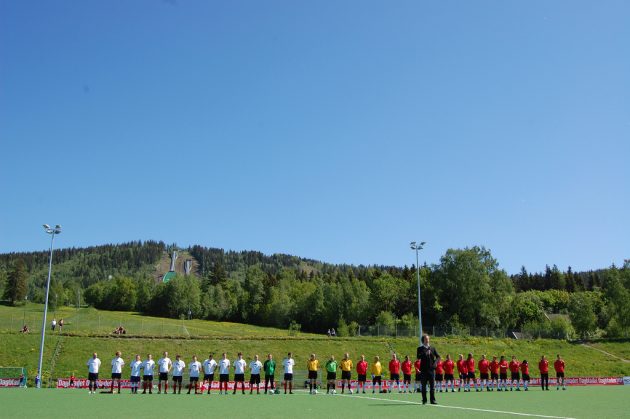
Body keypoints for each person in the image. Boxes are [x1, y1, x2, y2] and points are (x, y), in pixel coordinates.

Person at [417, 334, 440, 405]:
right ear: (423, 340)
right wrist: (425, 353)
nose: (427, 340)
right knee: (423, 386)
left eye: (428, 339)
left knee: (432, 387)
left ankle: (432, 400)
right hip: (423, 370)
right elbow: (418, 357)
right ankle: (424, 400)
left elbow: (438, 357)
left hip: (431, 370)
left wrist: (436, 363)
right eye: (426, 339)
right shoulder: (420, 349)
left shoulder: (432, 348)